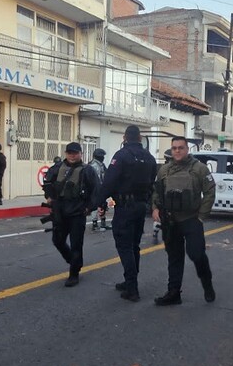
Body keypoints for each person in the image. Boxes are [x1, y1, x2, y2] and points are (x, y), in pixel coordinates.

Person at [151, 137, 216, 306]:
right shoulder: (164, 170)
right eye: (174, 148)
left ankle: (207, 284)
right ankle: (174, 293)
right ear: (171, 150)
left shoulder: (199, 169)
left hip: (191, 219)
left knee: (197, 254)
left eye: (181, 148)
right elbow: (157, 192)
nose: (177, 151)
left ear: (187, 149)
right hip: (170, 221)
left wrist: (202, 216)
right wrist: (155, 208)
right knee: (174, 257)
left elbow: (209, 191)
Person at [97, 125, 157, 302]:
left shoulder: (121, 156)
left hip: (125, 207)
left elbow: (109, 182)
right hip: (139, 207)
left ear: (124, 138)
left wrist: (97, 202)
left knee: (124, 246)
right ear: (140, 138)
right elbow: (152, 180)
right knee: (134, 245)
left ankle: (132, 288)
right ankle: (129, 281)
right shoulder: (149, 157)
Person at [43, 143, 100, 286]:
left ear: (80, 153)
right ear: (65, 153)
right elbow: (48, 183)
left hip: (77, 212)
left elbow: (96, 190)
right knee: (57, 240)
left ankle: (74, 273)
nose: (72, 155)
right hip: (59, 211)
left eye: (75, 153)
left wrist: (89, 207)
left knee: (76, 244)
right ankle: (74, 261)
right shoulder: (57, 168)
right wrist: (49, 196)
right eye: (69, 153)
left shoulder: (88, 170)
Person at [152, 148, 173, 244]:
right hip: (170, 198)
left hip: (162, 197)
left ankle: (156, 232)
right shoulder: (173, 168)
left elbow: (156, 185)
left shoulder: (161, 169)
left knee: (160, 216)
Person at [89, 148, 111, 231]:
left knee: (103, 205)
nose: (103, 157)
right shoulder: (94, 165)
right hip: (96, 189)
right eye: (101, 156)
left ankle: (103, 224)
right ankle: (95, 224)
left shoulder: (100, 164)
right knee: (96, 205)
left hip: (101, 188)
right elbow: (97, 179)